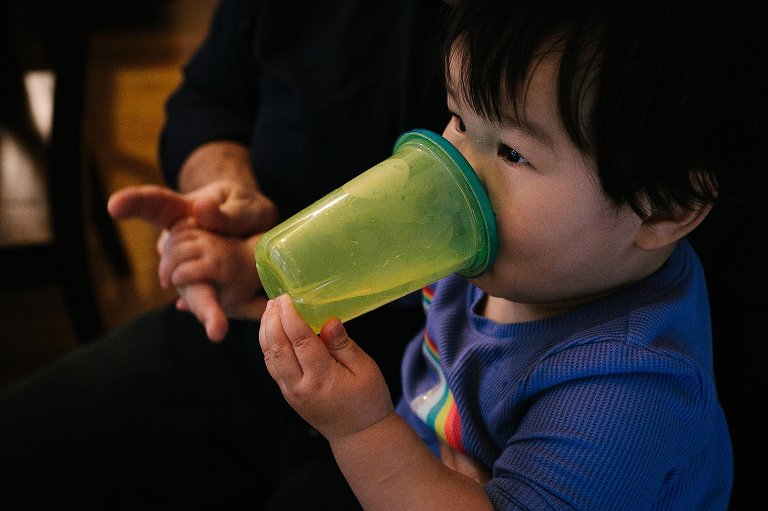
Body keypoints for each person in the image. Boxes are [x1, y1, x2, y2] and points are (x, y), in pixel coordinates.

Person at [254, 0, 767, 509]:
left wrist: (360, 429)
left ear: (662, 208)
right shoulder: (524, 264)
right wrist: (254, 272)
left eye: (512, 152)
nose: (458, 169)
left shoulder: (629, 390)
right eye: (458, 117)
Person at [0, 0, 449, 508]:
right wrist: (223, 199)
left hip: (429, 401)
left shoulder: (524, 32)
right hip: (240, 342)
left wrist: (257, 263)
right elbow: (206, 95)